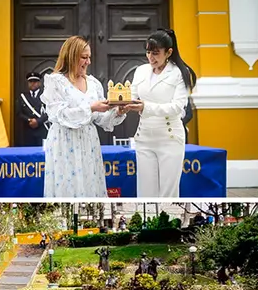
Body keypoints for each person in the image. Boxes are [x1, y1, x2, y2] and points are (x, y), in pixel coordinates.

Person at [41, 36, 128, 198]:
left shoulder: (93, 83)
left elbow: (100, 119)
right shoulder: (55, 82)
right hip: (64, 142)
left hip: (88, 143)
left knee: (89, 185)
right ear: (71, 57)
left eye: (89, 57)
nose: (88, 62)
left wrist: (117, 112)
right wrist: (91, 107)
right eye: (84, 57)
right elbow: (59, 114)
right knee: (67, 186)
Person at [126, 29, 196, 198]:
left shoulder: (180, 73)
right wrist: (121, 105)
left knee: (168, 193)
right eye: (148, 52)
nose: (151, 57)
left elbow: (177, 107)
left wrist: (146, 107)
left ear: (169, 52)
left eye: (156, 53)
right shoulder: (141, 71)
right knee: (145, 192)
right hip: (144, 138)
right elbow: (131, 96)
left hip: (169, 138)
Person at [18, 72, 48, 147]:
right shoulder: (23, 97)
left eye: (35, 81)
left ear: (39, 83)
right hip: (28, 131)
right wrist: (29, 120)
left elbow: (49, 111)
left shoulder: (45, 95)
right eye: (30, 81)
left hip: (42, 129)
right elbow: (19, 113)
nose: (33, 83)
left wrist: (38, 121)